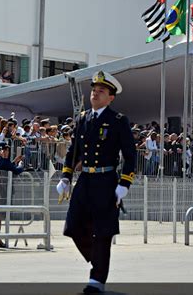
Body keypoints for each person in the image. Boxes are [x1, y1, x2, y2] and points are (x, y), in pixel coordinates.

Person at [56, 70, 136, 294]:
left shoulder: (118, 121)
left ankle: (97, 279)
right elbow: (73, 152)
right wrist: (66, 176)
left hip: (106, 180)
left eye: (101, 91)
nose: (95, 93)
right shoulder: (83, 118)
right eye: (93, 90)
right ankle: (98, 259)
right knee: (72, 226)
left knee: (103, 231)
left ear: (111, 97)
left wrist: (124, 183)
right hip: (85, 180)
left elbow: (130, 155)